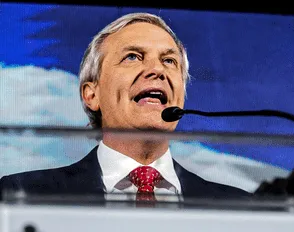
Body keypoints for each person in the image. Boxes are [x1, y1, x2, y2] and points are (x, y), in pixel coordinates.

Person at [0, 13, 249, 202]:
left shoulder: (237, 206)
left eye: (169, 60)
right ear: (92, 94)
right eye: (132, 56)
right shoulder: (22, 195)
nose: (157, 70)